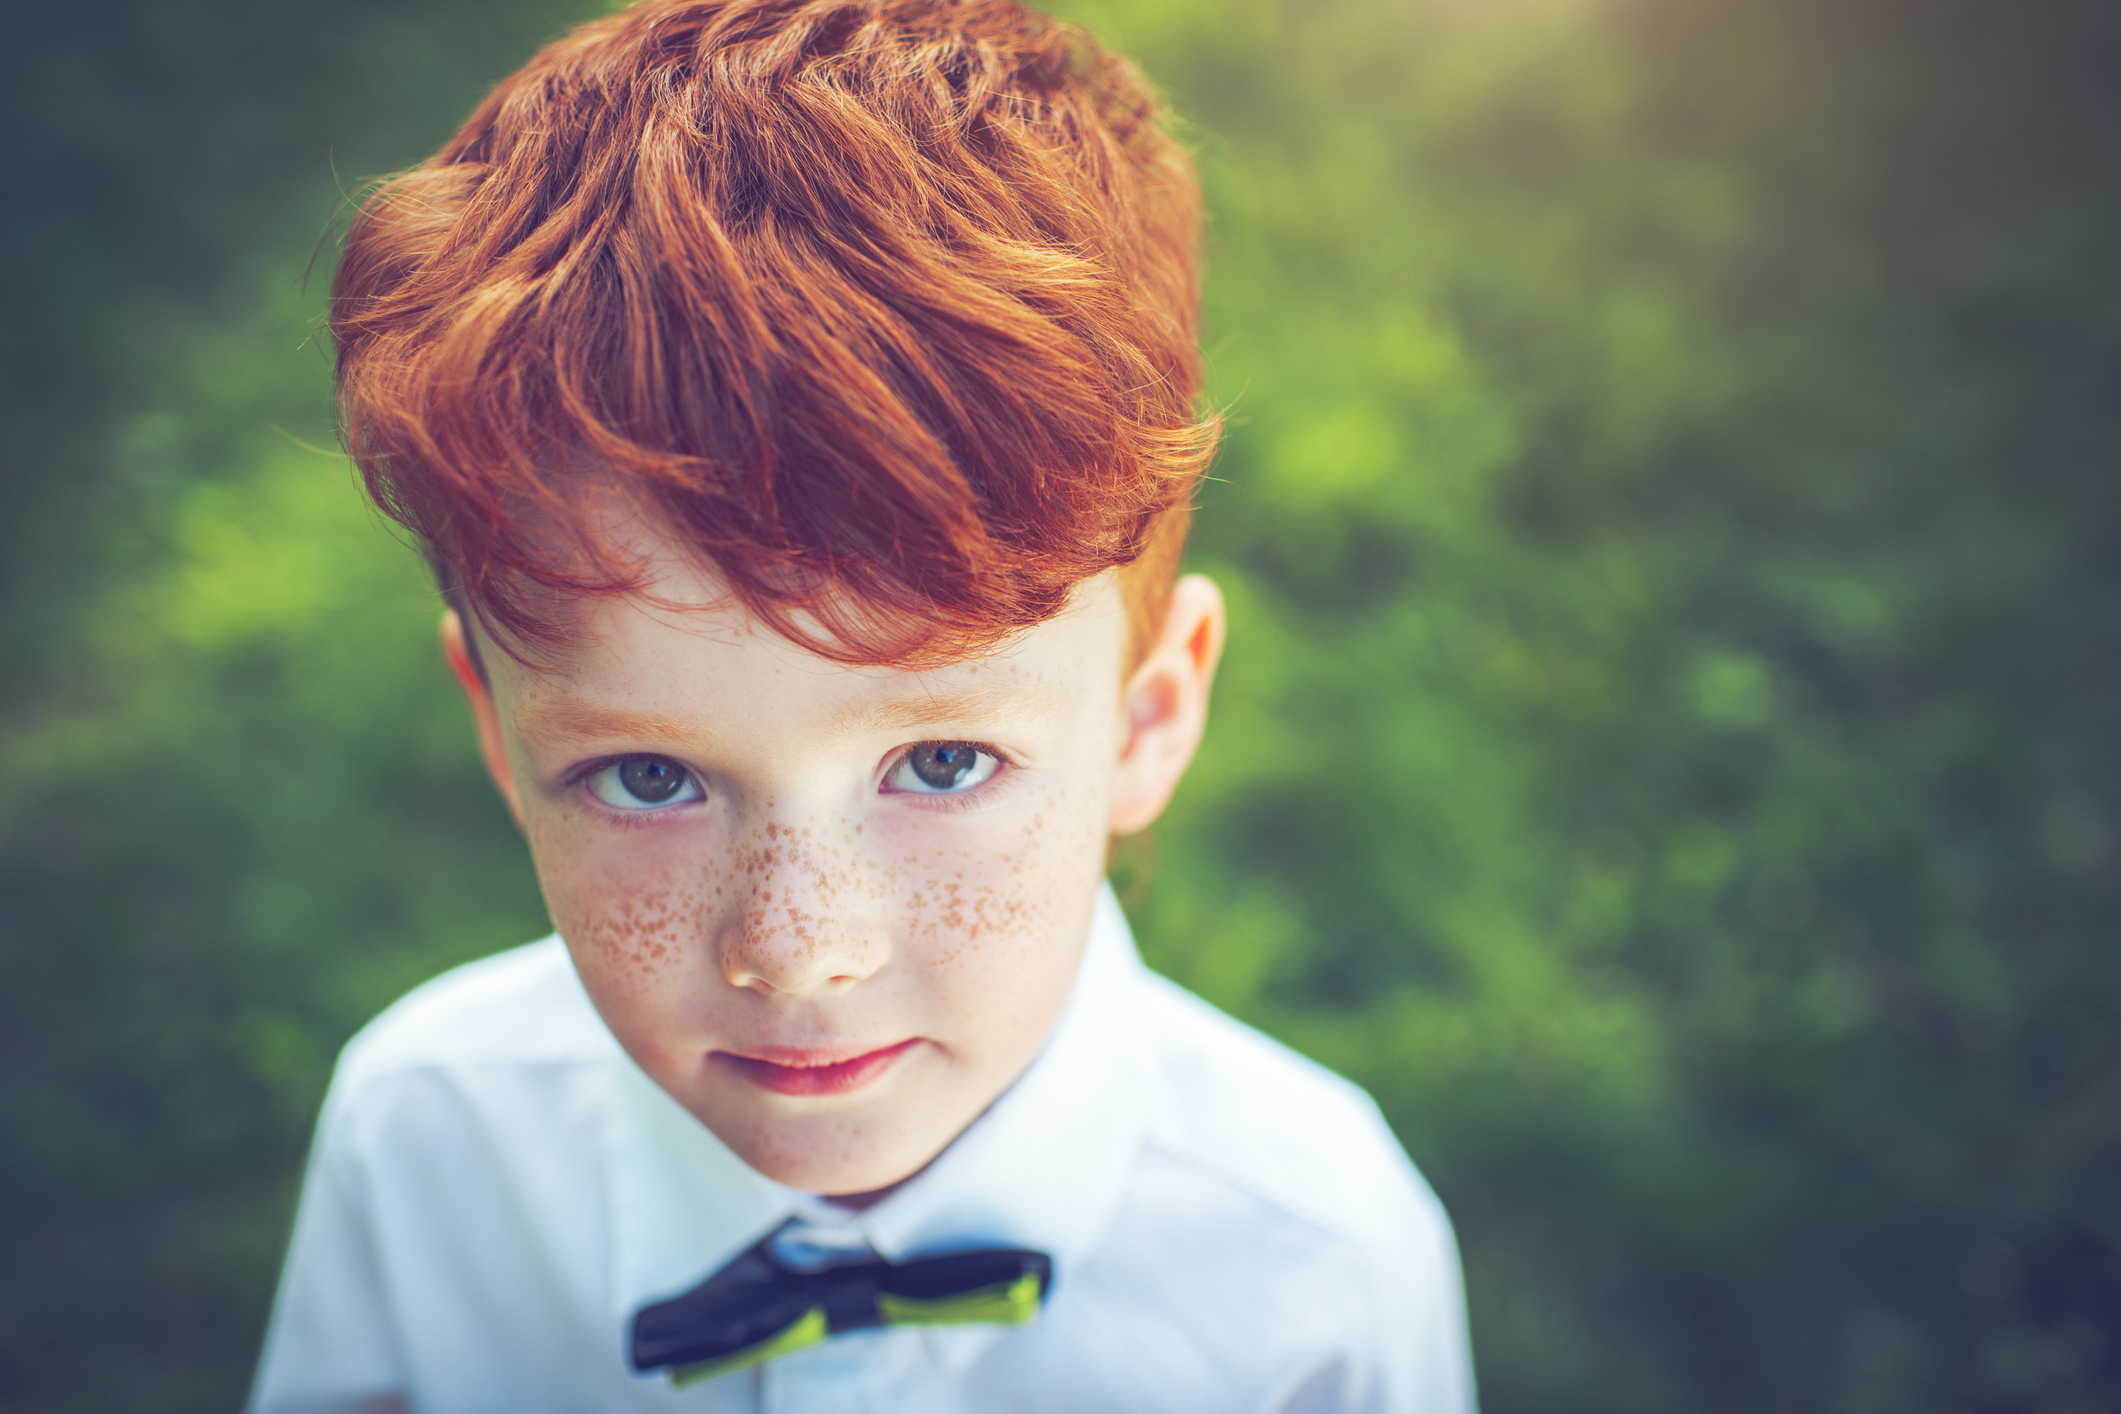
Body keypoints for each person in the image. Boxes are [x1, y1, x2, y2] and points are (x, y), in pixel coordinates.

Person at [250, 1, 1477, 1409]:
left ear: (1146, 715)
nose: (795, 948)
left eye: (943, 759)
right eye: (650, 777)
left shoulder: (1316, 1263)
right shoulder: (424, 1140)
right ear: (496, 730)